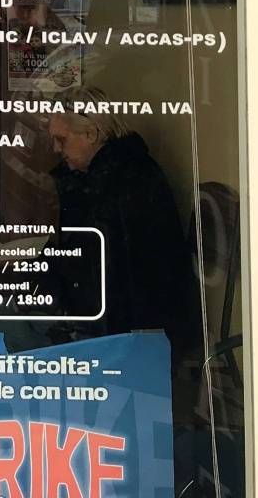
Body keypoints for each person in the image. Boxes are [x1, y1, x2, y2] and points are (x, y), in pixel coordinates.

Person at [45, 95, 203, 355]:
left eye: (61, 140)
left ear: (91, 134)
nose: (55, 149)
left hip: (132, 329)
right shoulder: (115, 173)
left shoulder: (121, 183)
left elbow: (104, 274)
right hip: (123, 319)